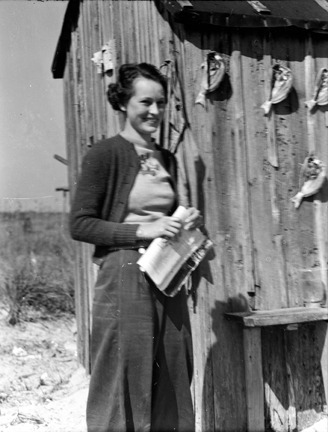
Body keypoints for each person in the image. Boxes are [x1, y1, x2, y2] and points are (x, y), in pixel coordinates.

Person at [70, 63, 201, 432]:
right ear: (124, 103)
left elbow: (164, 216)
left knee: (173, 367)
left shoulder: (167, 159)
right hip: (124, 272)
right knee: (122, 369)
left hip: (168, 271)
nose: (155, 112)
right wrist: (144, 229)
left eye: (161, 103)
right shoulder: (105, 154)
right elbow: (80, 224)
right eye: (146, 102)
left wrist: (182, 221)